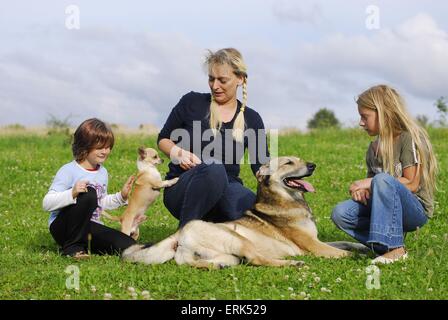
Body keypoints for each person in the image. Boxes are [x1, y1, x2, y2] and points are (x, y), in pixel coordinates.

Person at [158, 48, 269, 228]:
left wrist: (283, 176)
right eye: (211, 79)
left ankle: (222, 239)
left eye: (222, 80)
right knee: (213, 168)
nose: (215, 86)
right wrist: (177, 152)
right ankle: (185, 234)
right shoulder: (191, 102)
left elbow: (261, 165)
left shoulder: (252, 119)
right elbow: (163, 139)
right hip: (183, 187)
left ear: (240, 79)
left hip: (227, 188)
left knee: (251, 205)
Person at [331, 85, 438, 264]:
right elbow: (373, 187)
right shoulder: (373, 149)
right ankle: (385, 246)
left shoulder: (409, 137)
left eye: (365, 116)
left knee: (381, 180)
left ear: (383, 113)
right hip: (384, 208)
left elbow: (412, 183)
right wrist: (363, 191)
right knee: (341, 213)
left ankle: (395, 249)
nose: (360, 122)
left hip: (414, 209)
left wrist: (369, 183)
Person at [43, 118, 136, 259]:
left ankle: (162, 251)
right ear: (85, 146)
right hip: (63, 229)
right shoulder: (68, 170)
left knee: (130, 246)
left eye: (108, 147)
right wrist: (72, 193)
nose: (105, 151)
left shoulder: (102, 172)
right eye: (100, 147)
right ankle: (72, 249)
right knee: (88, 193)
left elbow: (98, 203)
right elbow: (47, 203)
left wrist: (121, 197)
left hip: (89, 228)